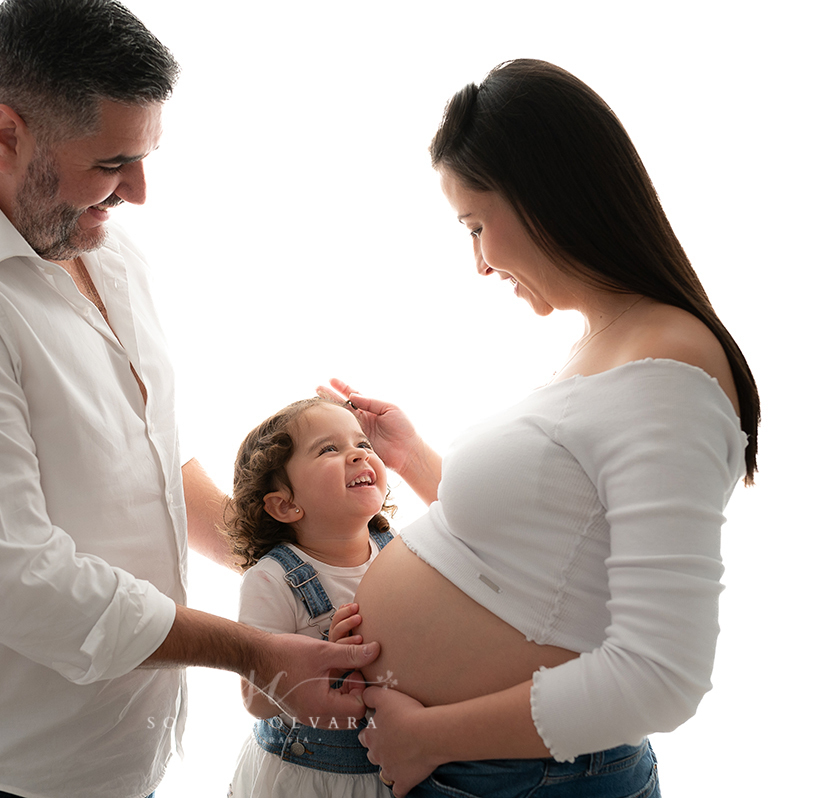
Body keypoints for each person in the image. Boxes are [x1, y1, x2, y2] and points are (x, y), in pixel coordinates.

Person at [0, 3, 375, 798]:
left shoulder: (97, 245)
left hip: (119, 760)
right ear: (7, 134)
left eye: (144, 156)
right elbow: (21, 579)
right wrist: (256, 650)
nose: (139, 192)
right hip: (0, 777)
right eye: (114, 161)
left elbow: (145, 457)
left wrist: (306, 550)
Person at [322, 59, 760, 797]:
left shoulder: (669, 369)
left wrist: (428, 735)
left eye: (476, 226)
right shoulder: (609, 344)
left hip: (525, 775)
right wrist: (417, 460)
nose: (480, 265)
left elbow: (663, 676)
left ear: (544, 196)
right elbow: (550, 550)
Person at [222, 398, 396, 798]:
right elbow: (256, 701)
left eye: (363, 444)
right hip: (308, 776)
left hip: (388, 769)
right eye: (329, 449)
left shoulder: (398, 551)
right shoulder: (272, 580)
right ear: (285, 504)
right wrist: (323, 664)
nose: (357, 454)